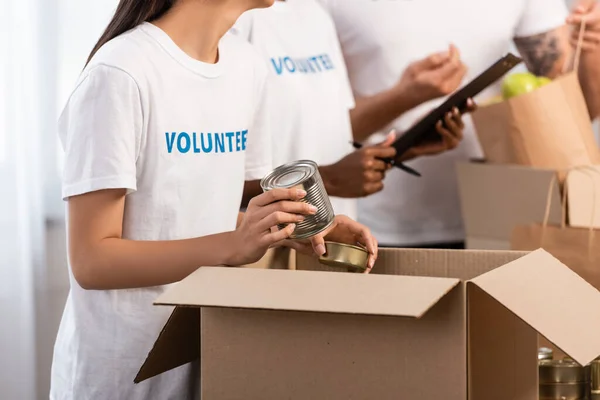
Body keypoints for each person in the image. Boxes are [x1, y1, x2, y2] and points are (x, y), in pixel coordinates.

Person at [49, 1, 378, 399]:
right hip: (124, 378)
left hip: (210, 359)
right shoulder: (121, 73)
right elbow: (92, 261)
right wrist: (232, 247)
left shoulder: (247, 66)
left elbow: (204, 209)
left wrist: (296, 224)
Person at [319, 0, 600, 249]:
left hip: (501, 221)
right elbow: (317, 132)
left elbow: (578, 111)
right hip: (375, 227)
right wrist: (405, 96)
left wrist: (592, 46)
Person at [231, 0, 474, 219]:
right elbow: (206, 190)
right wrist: (326, 180)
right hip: (266, 249)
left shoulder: (313, 15)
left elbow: (336, 134)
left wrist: (403, 148)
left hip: (335, 237)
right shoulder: (232, 21)